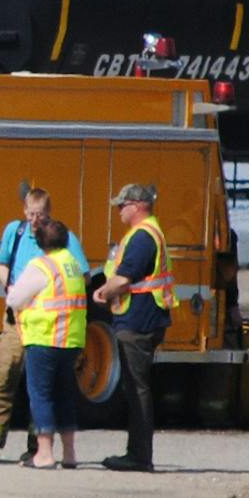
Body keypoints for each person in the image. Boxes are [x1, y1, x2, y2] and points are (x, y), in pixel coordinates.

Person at [0, 188, 88, 456]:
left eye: (40, 215)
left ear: (49, 214)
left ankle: (37, 448)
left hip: (46, 328)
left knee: (41, 389)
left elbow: (82, 276)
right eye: (31, 214)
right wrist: (9, 286)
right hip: (16, 320)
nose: (35, 220)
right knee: (4, 375)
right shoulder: (15, 232)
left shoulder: (63, 240)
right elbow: (2, 263)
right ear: (24, 210)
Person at [94, 183, 175, 472]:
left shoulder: (143, 236)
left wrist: (102, 292)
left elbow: (125, 278)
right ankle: (138, 454)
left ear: (138, 206)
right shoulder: (146, 232)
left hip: (138, 321)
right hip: (140, 318)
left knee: (137, 388)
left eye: (123, 205)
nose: (119, 210)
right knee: (135, 387)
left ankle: (139, 456)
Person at [6, 219, 86, 469]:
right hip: (71, 340)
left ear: (40, 242)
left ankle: (44, 453)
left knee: (41, 395)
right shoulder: (72, 265)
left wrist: (15, 291)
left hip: (44, 337)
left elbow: (14, 298)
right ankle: (69, 454)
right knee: (65, 396)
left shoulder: (41, 266)